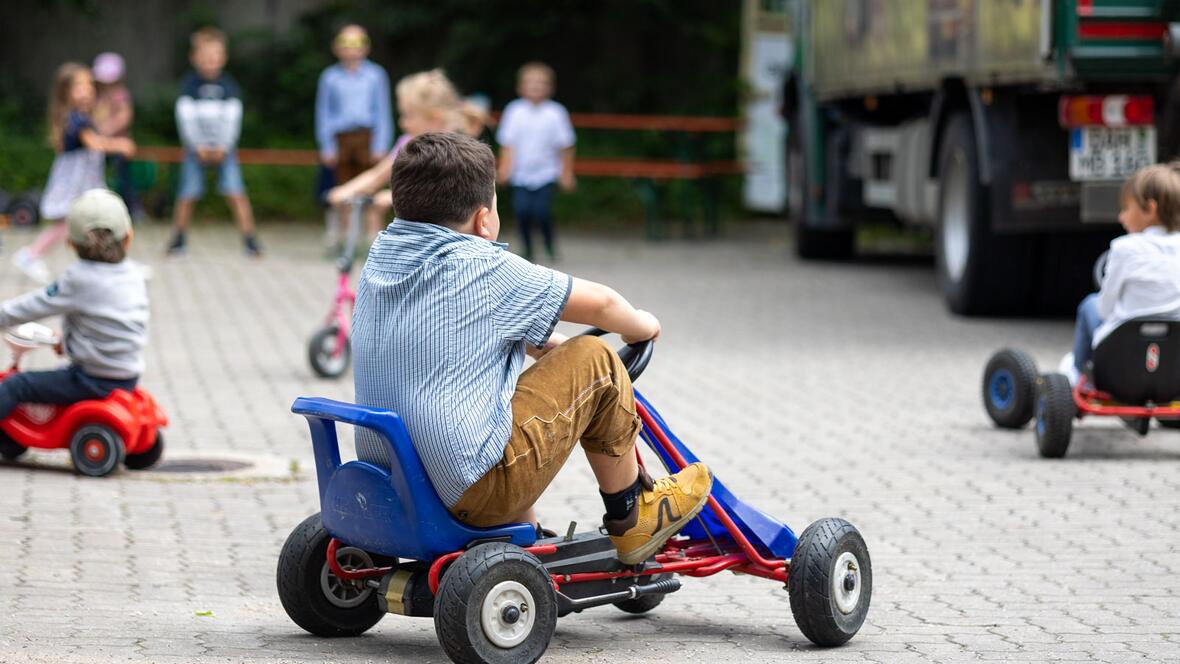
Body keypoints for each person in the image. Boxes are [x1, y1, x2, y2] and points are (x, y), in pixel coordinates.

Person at [352, 132, 713, 564]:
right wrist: (643, 325)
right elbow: (601, 304)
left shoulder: (385, 252)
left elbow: (437, 323)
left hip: (392, 478)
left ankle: (528, 531)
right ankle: (633, 512)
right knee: (596, 360)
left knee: (508, 405)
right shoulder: (483, 264)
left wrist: (537, 341)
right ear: (485, 220)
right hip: (471, 487)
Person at [0, 189, 147, 420]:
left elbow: (33, 306)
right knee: (57, 375)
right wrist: (67, 342)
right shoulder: (135, 275)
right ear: (128, 237)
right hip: (127, 375)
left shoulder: (78, 278)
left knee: (16, 385)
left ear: (71, 243)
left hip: (92, 379)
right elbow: (109, 325)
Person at [12, 63, 136, 285]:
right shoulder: (77, 119)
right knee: (70, 223)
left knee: (98, 217)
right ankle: (30, 255)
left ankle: (112, 261)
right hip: (75, 181)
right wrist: (120, 145)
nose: (87, 90)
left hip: (86, 180)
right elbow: (94, 143)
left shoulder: (81, 116)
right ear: (65, 92)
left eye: (89, 85)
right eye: (79, 86)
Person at [1063, 163, 1180, 385]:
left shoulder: (1123, 248)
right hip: (1172, 361)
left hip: (1122, 359)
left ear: (1150, 208)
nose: (1121, 217)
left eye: (1126, 208)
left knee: (1090, 304)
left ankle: (1078, 372)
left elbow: (1105, 309)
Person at [326, 69, 464, 238]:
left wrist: (396, 196)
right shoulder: (408, 143)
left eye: (408, 116)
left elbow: (443, 190)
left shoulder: (455, 148)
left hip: (452, 231)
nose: (402, 123)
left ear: (434, 118)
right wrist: (346, 190)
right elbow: (377, 175)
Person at [166, 27, 260, 257]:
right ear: (194, 58)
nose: (210, 62)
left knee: (236, 193)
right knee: (187, 194)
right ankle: (178, 240)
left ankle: (250, 240)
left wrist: (223, 146)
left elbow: (232, 119)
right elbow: (185, 118)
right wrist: (196, 145)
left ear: (223, 58)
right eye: (205, 57)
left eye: (215, 56)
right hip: (194, 150)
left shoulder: (229, 86)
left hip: (224, 150)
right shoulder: (189, 85)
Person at [315, 24, 393, 247]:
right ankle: (345, 240)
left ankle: (372, 241)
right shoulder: (329, 77)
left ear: (366, 47)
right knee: (342, 189)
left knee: (370, 188)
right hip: (341, 139)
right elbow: (323, 112)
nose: (351, 49)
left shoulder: (376, 75)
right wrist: (327, 146)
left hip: (367, 138)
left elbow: (382, 110)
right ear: (336, 47)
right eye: (345, 44)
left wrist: (381, 144)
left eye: (356, 43)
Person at [496, 62, 576, 263]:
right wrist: (504, 169)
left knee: (541, 212)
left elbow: (566, 146)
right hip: (520, 174)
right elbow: (507, 144)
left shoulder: (556, 113)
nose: (535, 87)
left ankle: (549, 243)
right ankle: (528, 248)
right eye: (530, 83)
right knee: (521, 211)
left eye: (541, 83)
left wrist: (566, 173)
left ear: (550, 88)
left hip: (546, 173)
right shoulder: (514, 111)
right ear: (520, 87)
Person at [91, 52, 142, 220]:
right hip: (99, 144)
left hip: (119, 144)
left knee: (123, 175)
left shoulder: (121, 95)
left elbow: (125, 116)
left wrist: (109, 128)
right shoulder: (96, 98)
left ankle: (132, 207)